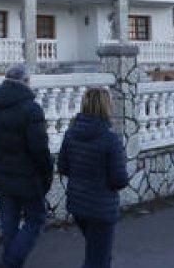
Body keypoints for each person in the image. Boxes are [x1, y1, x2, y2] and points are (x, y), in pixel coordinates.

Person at [0, 64, 53, 268]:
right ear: (26, 81)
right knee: (36, 219)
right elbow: (40, 150)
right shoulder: (31, 109)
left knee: (8, 224)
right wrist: (47, 174)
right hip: (28, 179)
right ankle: (9, 263)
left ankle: (10, 262)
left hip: (2, 175)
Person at [57, 87, 130, 268]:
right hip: (101, 208)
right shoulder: (110, 139)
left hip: (78, 205)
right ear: (106, 107)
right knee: (97, 259)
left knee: (97, 254)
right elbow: (119, 179)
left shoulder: (71, 134)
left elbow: (63, 167)